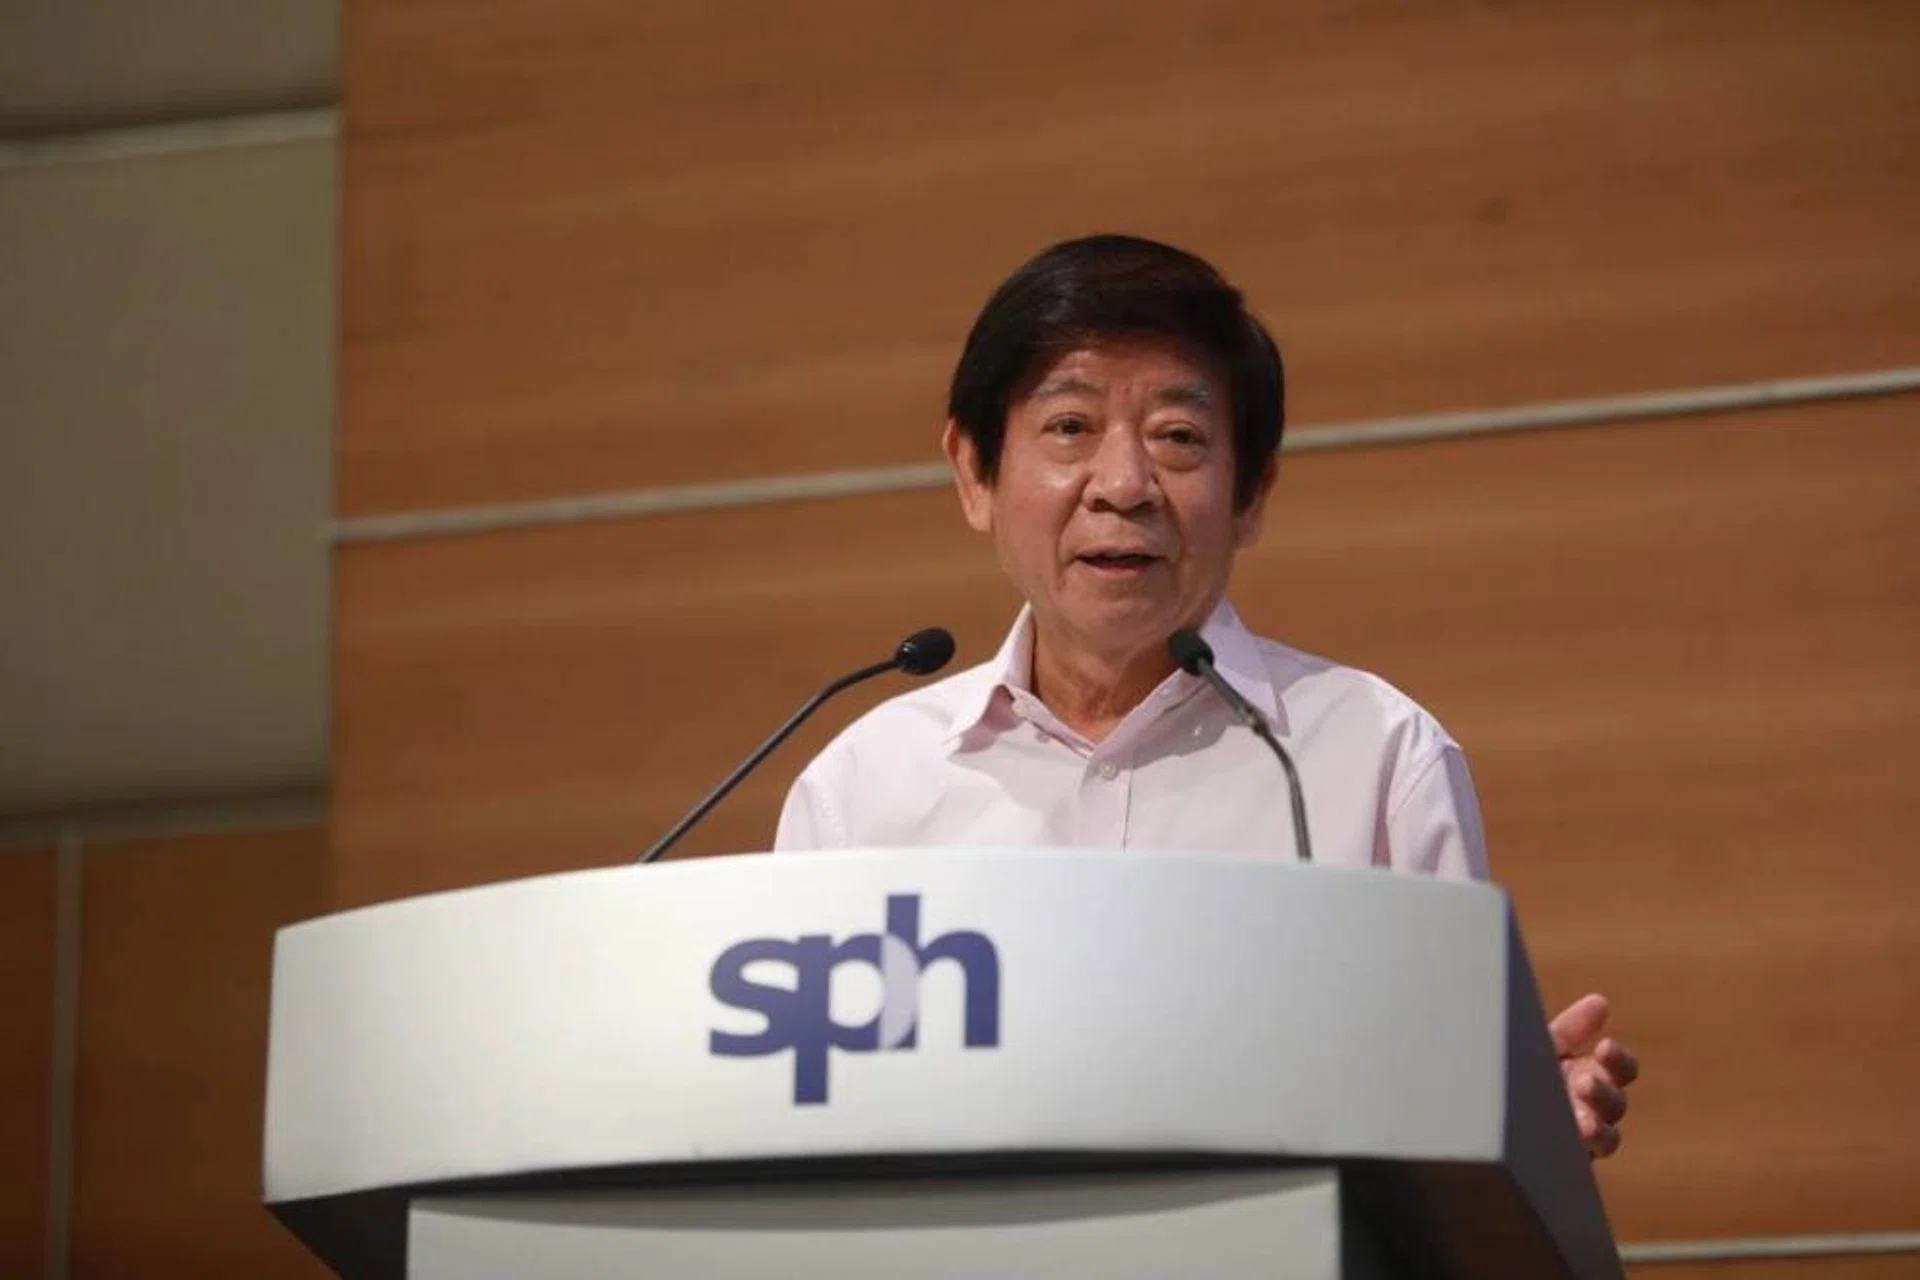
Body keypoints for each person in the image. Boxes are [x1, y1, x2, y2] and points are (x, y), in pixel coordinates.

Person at [775, 233, 1637, 1157]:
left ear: (1252, 493)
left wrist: (1513, 1121)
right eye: (1069, 428)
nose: (1123, 486)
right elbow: (798, 1120)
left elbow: (1454, 1105)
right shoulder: (864, 789)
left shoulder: (1376, 757)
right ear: (974, 472)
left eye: (1178, 439)